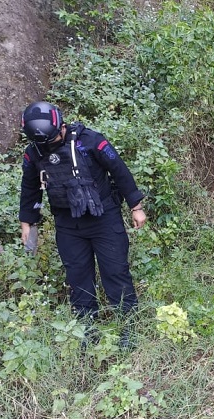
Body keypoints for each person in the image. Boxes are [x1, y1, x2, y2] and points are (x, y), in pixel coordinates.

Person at [18, 101, 146, 349]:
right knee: (78, 278)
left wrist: (136, 207)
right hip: (67, 224)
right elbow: (30, 187)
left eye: (53, 140)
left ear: (61, 127)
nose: (48, 146)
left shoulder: (90, 141)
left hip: (104, 218)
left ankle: (128, 328)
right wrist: (27, 223)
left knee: (115, 273)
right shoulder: (34, 152)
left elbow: (118, 169)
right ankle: (88, 331)